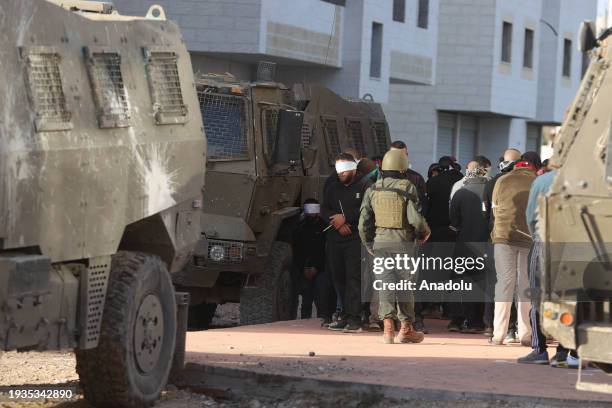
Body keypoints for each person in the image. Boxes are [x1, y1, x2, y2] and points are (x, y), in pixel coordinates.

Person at [359, 149, 430, 344]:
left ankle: (388, 329)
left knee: (385, 285)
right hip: (403, 244)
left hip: (380, 244)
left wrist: (368, 244)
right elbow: (415, 218)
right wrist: (425, 233)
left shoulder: (372, 189)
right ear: (402, 167)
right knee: (404, 285)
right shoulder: (407, 187)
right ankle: (406, 328)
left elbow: (363, 223)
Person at [489, 152, 540, 345]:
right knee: (525, 285)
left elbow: (495, 208)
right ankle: (525, 334)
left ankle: (498, 334)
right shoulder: (536, 181)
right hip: (528, 238)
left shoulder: (502, 180)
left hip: (503, 236)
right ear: (533, 166)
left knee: (504, 283)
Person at [322, 153, 371, 332]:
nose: (341, 174)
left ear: (353, 169)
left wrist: (346, 218)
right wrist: (335, 221)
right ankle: (344, 315)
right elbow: (324, 208)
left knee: (354, 279)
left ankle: (355, 319)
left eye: (344, 171)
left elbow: (368, 209)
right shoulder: (332, 185)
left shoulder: (365, 184)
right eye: (338, 171)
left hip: (355, 239)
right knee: (339, 278)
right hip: (335, 237)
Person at [483, 148, 521, 339]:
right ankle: (515, 329)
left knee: (497, 283)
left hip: (496, 238)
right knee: (518, 284)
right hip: (522, 239)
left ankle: (493, 328)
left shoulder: (493, 183)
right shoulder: (527, 182)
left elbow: (486, 212)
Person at [448, 161, 490, 333]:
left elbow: (453, 219)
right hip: (486, 243)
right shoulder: (490, 190)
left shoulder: (460, 192)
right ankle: (477, 322)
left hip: (464, 241)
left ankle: (458, 319)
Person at [292, 199, 335, 325]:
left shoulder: (325, 227)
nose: (311, 215)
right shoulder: (300, 227)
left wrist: (317, 267)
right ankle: (305, 323)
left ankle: (321, 321)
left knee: (322, 298)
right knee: (306, 300)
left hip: (321, 270)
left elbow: (325, 251)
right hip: (305, 269)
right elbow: (297, 250)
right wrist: (303, 268)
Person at [389, 141, 427, 215]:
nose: (398, 159)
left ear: (407, 155)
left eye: (402, 156)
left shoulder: (417, 178)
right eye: (395, 156)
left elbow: (423, 204)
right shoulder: (381, 176)